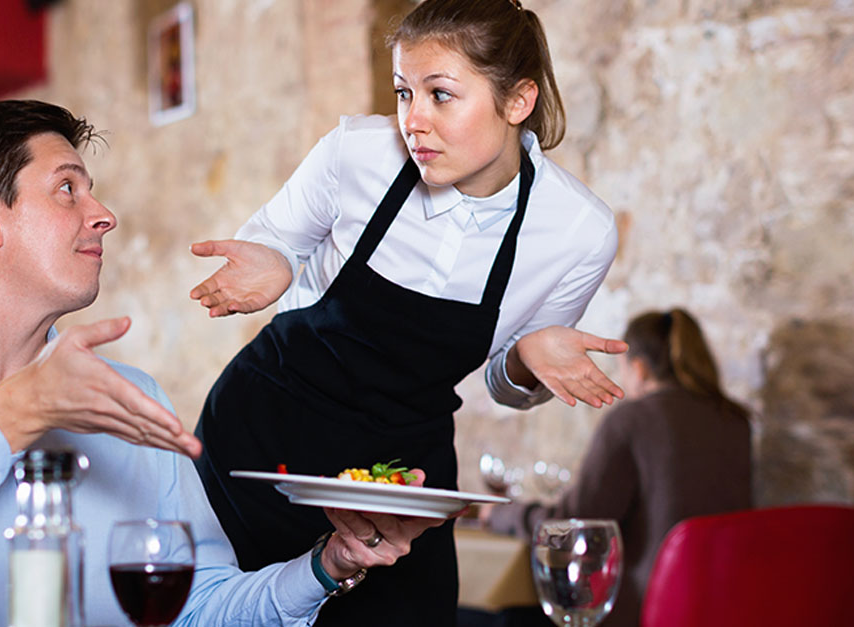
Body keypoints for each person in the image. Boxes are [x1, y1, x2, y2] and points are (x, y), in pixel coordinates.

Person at [0, 100, 443, 627]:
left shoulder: (134, 398)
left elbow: (204, 605)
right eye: (67, 189)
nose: (103, 215)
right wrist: (19, 409)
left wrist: (326, 566)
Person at [188, 1, 627, 623]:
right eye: (403, 92)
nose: (413, 120)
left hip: (400, 474)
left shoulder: (578, 231)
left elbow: (506, 384)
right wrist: (278, 263)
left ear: (517, 101)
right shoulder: (355, 154)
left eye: (440, 95)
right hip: (265, 437)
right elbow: (274, 244)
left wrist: (527, 359)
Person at [481, 309, 753, 627]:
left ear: (637, 368)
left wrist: (500, 514)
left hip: (646, 608)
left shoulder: (633, 419)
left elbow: (573, 527)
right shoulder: (735, 420)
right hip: (726, 604)